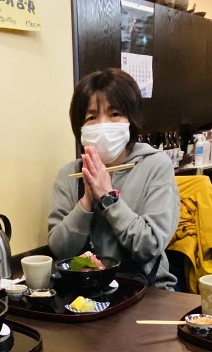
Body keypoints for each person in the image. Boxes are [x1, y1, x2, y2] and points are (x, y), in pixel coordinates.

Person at [48, 68, 179, 289]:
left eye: (114, 114)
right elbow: (60, 249)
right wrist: (87, 201)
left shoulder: (155, 165)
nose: (103, 124)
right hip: (84, 290)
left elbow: (150, 245)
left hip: (144, 289)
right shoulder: (69, 174)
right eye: (91, 117)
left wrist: (108, 197)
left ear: (131, 118)